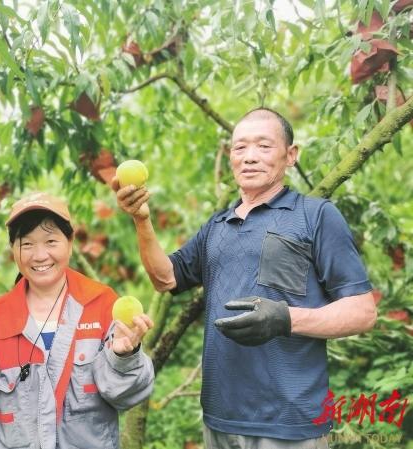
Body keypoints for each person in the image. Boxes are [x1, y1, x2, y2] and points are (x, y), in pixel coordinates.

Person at [113, 108, 377, 449]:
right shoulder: (217, 226)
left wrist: (286, 318)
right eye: (240, 148)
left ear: (291, 156)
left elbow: (363, 312)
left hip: (290, 422)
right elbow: (166, 278)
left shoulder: (315, 216)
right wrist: (141, 219)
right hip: (219, 419)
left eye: (264, 146)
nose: (250, 157)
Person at [0, 192, 155, 449]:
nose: (39, 256)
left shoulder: (101, 304)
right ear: (13, 249)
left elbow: (127, 397)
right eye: (27, 244)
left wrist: (124, 358)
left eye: (51, 241)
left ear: (70, 241)